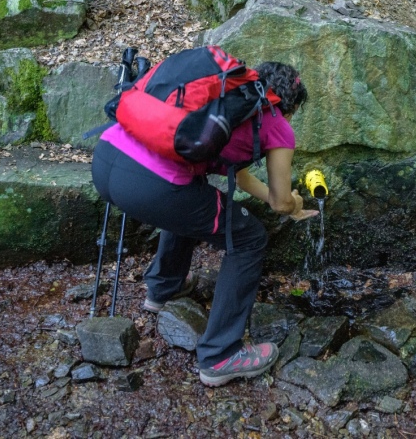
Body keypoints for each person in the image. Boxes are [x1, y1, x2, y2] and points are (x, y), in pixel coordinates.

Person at [91, 60, 318, 387]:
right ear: (291, 104)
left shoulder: (228, 100)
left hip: (106, 160)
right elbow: (283, 203)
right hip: (151, 186)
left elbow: (239, 176)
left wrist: (272, 197)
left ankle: (163, 289)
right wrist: (292, 203)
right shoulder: (275, 121)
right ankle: (220, 355)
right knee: (249, 239)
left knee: (194, 199)